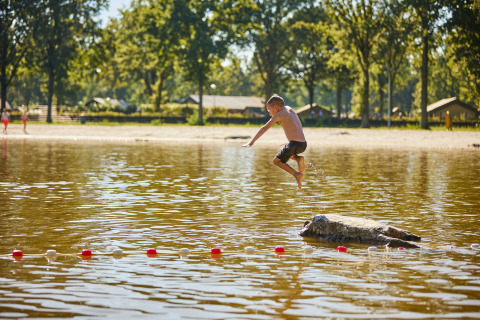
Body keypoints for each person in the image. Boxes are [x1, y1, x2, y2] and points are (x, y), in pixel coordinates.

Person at [242, 94, 307, 189]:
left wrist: (251, 142)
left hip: (295, 144)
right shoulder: (289, 109)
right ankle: (298, 158)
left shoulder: (279, 115)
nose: (269, 113)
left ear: (276, 108)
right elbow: (295, 126)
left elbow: (263, 129)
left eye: (269, 110)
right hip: (303, 144)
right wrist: (291, 142)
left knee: (276, 161)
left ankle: (297, 174)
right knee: (285, 150)